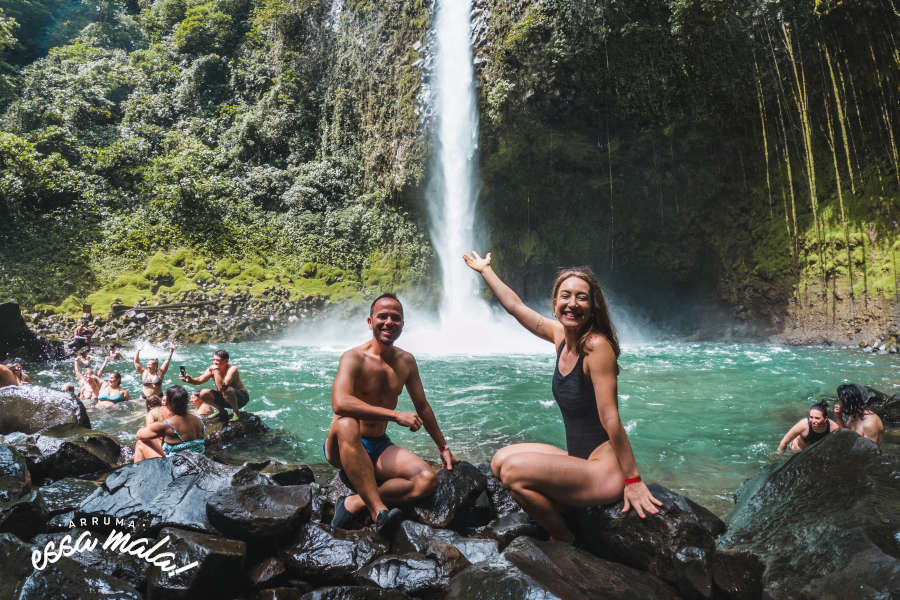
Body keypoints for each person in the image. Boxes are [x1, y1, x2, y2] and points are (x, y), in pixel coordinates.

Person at [463, 251, 661, 541]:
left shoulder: (596, 347)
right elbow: (515, 306)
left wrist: (633, 481)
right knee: (499, 460)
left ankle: (562, 536)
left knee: (513, 473)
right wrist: (484, 271)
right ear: (554, 302)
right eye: (565, 296)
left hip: (604, 469)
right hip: (579, 458)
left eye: (581, 298)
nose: (572, 304)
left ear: (593, 307)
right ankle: (564, 507)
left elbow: (610, 417)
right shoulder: (560, 336)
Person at [324, 293, 457, 537]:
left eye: (395, 318)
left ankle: (353, 503)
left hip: (378, 446)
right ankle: (379, 512)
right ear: (370, 321)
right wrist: (395, 415)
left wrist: (443, 447)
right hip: (344, 444)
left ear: (403, 324)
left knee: (427, 479)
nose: (388, 322)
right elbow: (340, 403)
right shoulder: (353, 357)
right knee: (346, 423)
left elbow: (423, 406)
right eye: (382, 316)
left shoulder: (406, 361)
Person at [134, 386, 205, 462]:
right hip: (199, 460)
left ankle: (138, 472)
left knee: (140, 443)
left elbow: (140, 435)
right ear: (187, 402)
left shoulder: (167, 425)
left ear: (167, 402)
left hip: (176, 466)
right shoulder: (198, 420)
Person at [179, 350, 250, 421]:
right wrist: (189, 379)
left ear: (226, 361)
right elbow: (199, 380)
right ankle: (222, 411)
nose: (215, 362)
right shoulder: (212, 368)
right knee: (203, 393)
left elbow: (222, 387)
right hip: (226, 397)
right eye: (214, 360)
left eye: (218, 360)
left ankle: (236, 413)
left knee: (227, 390)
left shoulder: (232, 369)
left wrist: (216, 370)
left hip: (241, 399)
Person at [834, 384, 884, 448]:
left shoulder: (869, 424)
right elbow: (846, 434)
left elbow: (870, 451)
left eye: (839, 400)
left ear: (847, 403)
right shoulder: (854, 414)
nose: (838, 403)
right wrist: (839, 416)